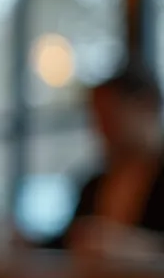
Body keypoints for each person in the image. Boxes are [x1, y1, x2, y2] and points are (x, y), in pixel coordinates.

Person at [62, 67, 164, 259]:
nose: (101, 129)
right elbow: (64, 245)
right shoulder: (93, 184)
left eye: (110, 116)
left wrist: (143, 248)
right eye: (97, 117)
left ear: (147, 106)